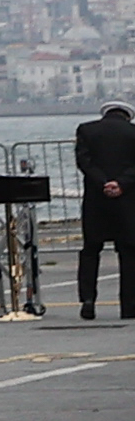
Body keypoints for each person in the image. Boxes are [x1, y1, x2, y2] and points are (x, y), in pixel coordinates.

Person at [78, 101, 132, 321]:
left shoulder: (86, 130)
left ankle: (88, 300)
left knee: (91, 251)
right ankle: (129, 305)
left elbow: (84, 162)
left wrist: (103, 182)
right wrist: (121, 183)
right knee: (129, 253)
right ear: (127, 116)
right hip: (127, 202)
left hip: (96, 200)